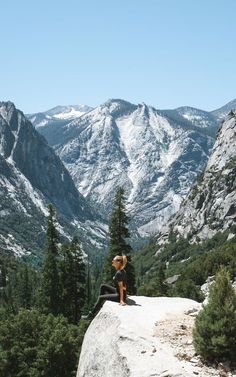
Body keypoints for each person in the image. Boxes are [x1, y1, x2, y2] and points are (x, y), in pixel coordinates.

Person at [82, 255, 127, 320]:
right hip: (118, 292)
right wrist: (125, 292)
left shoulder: (119, 273)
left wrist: (121, 300)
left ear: (118, 262)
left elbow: (121, 287)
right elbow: (124, 285)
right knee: (103, 286)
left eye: (113, 260)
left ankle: (91, 315)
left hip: (119, 295)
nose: (112, 261)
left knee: (101, 297)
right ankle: (99, 305)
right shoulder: (122, 270)